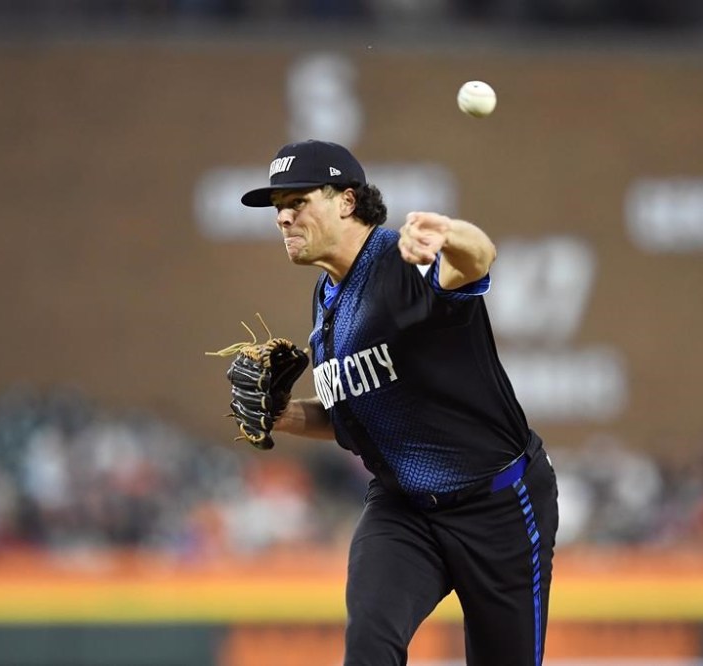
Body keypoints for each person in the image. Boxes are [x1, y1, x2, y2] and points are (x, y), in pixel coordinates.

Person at [239, 139, 559, 666]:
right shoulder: (327, 296)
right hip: (403, 509)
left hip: (498, 506)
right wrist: (285, 416)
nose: (284, 217)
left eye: (298, 201)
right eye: (279, 209)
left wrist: (449, 233)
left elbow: (478, 260)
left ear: (346, 200)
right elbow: (359, 416)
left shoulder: (400, 263)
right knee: (369, 646)